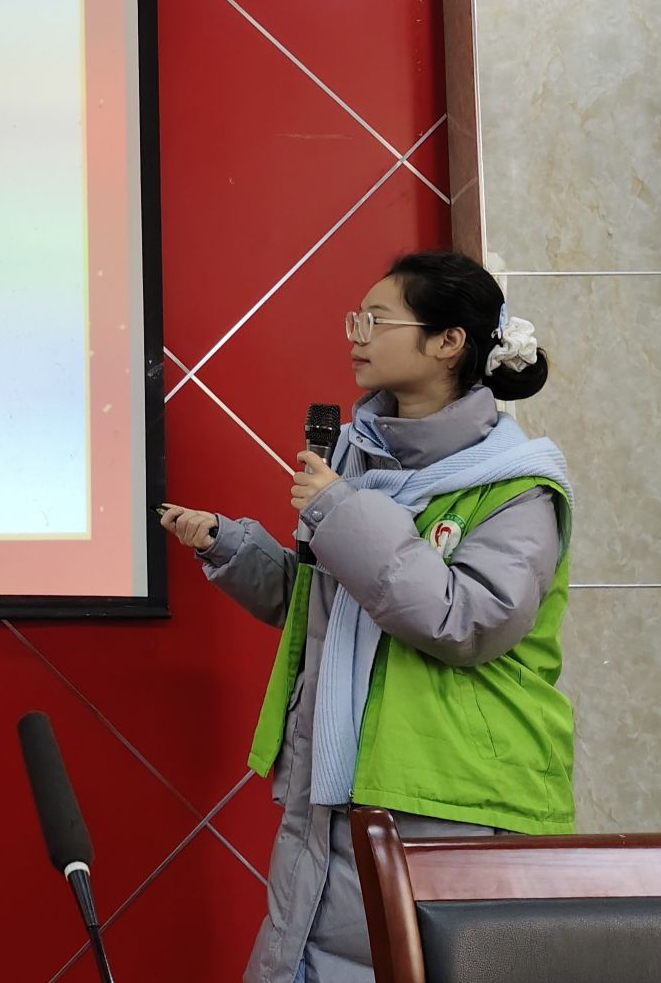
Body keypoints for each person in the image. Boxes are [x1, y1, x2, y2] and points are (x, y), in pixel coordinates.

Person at [160, 251, 573, 983]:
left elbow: (465, 621)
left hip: (452, 794)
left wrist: (341, 511)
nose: (356, 335)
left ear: (448, 342)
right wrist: (230, 545)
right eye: (357, 319)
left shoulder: (517, 488)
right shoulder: (358, 462)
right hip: (338, 780)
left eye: (377, 320)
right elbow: (327, 608)